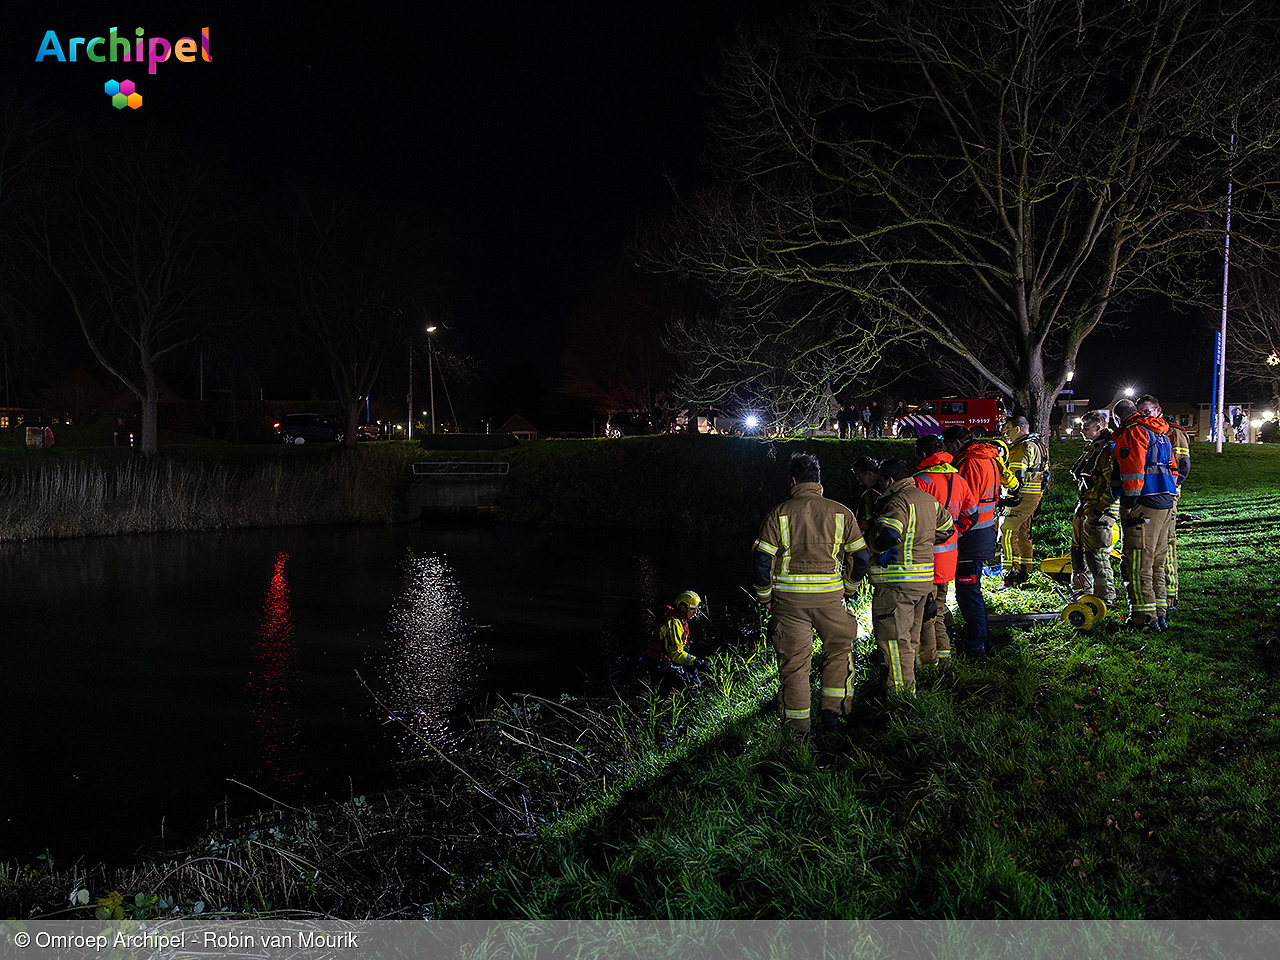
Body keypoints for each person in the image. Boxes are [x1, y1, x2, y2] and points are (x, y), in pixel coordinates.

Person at [752, 453, 870, 733]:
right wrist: (850, 587)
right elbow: (862, 558)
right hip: (831, 600)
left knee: (794, 665)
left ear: (793, 481)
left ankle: (797, 729)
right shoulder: (842, 513)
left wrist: (766, 597)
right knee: (839, 652)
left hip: (789, 604)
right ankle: (835, 714)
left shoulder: (778, 514)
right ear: (818, 481)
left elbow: (761, 562)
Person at [865, 458, 954, 694]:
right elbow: (947, 529)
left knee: (894, 641)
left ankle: (900, 695)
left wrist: (877, 548)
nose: (879, 486)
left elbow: (888, 534)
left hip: (896, 584)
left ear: (890, 480)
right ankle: (910, 685)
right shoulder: (928, 499)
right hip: (923, 583)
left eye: (881, 481)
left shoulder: (897, 501)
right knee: (910, 640)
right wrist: (920, 543)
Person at [1111, 395, 1178, 630]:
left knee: (1137, 561)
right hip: (1165, 501)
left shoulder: (1133, 432)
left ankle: (1143, 619)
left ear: (1118, 418)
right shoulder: (1159, 432)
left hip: (1144, 502)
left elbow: (1133, 471)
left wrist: (1128, 503)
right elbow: (1174, 469)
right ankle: (1160, 613)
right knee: (1157, 561)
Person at [913, 436, 977, 666]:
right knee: (937, 609)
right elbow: (972, 515)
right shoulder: (958, 478)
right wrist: (954, 532)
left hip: (925, 558)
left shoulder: (920, 481)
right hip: (949, 557)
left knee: (925, 615)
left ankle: (931, 663)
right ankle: (944, 660)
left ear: (922, 455)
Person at [942, 426, 1004, 659]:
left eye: (947, 444)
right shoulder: (987, 458)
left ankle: (978, 644)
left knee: (968, 593)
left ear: (956, 443)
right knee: (970, 590)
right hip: (985, 530)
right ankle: (979, 638)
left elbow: (963, 502)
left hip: (970, 536)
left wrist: (952, 532)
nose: (946, 449)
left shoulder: (967, 463)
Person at [1143, 399, 1190, 615]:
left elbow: (1183, 465)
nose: (1144, 415)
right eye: (1140, 412)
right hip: (1153, 493)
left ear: (1158, 410)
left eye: (1147, 411)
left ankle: (1170, 593)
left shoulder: (1173, 433)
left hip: (1167, 493)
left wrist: (1171, 487)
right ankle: (1158, 590)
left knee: (1167, 542)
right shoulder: (1147, 431)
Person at [1068, 409, 1119, 604]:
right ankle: (1082, 591)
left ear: (1098, 427)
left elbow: (1112, 485)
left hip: (1099, 511)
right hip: (1085, 508)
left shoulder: (1107, 451)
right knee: (1078, 551)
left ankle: (1105, 596)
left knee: (1096, 555)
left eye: (1085, 427)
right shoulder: (1093, 448)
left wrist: (1099, 510)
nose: (1081, 431)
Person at [999, 416, 1049, 588]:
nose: (1005, 433)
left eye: (1008, 428)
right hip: (1034, 496)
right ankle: (1026, 569)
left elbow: (1016, 478)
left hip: (1021, 497)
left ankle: (1010, 573)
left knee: (1006, 531)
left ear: (1018, 429)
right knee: (1023, 532)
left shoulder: (1022, 447)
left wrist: (1008, 491)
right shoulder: (1040, 445)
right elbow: (1045, 476)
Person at [645, 591, 712, 695]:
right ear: (682, 608)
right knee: (693, 688)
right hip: (661, 664)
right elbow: (675, 653)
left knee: (660, 696)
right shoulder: (673, 623)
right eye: (692, 609)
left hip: (665, 662)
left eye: (696, 609)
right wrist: (698, 662)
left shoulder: (680, 621)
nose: (695, 612)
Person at [850, 455, 882, 530]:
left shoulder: (877, 492)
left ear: (870, 474)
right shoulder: (869, 493)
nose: (860, 482)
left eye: (860, 478)